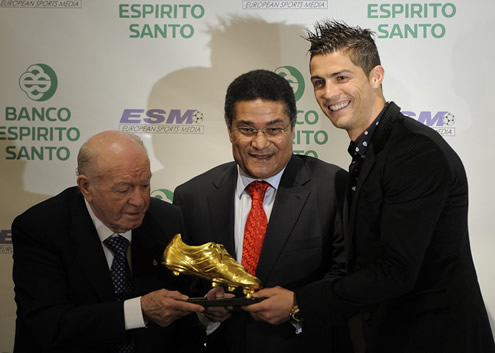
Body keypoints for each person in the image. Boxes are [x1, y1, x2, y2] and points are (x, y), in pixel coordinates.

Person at [247, 20, 495, 353]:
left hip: (434, 339)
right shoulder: (372, 150)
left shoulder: (414, 152)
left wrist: (299, 302)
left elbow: (394, 272)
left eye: (341, 77)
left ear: (376, 76)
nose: (328, 93)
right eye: (319, 82)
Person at [172, 69, 350, 353]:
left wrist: (298, 305)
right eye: (247, 129)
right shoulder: (192, 196)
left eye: (274, 129)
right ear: (230, 130)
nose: (260, 143)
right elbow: (182, 290)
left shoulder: (333, 188)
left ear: (292, 128)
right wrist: (206, 311)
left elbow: (349, 280)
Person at [11, 131, 206, 353]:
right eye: (123, 189)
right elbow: (47, 324)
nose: (139, 201)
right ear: (86, 187)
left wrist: (207, 308)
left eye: (145, 185)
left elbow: (182, 317)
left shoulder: (167, 221)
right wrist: (138, 311)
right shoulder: (42, 228)